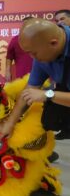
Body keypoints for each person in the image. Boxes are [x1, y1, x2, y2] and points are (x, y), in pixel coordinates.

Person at [0, 18, 70, 163]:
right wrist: (11, 122)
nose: (32, 58)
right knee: (49, 118)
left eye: (34, 53)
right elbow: (29, 90)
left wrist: (47, 94)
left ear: (54, 43)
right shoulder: (42, 54)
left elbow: (43, 94)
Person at [53, 9, 70, 140]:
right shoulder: (53, 41)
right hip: (62, 78)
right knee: (61, 103)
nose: (59, 23)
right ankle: (65, 129)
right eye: (57, 21)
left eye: (62, 19)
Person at [5, 17, 34, 81]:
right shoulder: (15, 39)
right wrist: (7, 72)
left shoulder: (42, 39)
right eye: (24, 25)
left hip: (42, 77)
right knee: (24, 91)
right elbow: (9, 57)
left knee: (44, 91)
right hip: (22, 77)